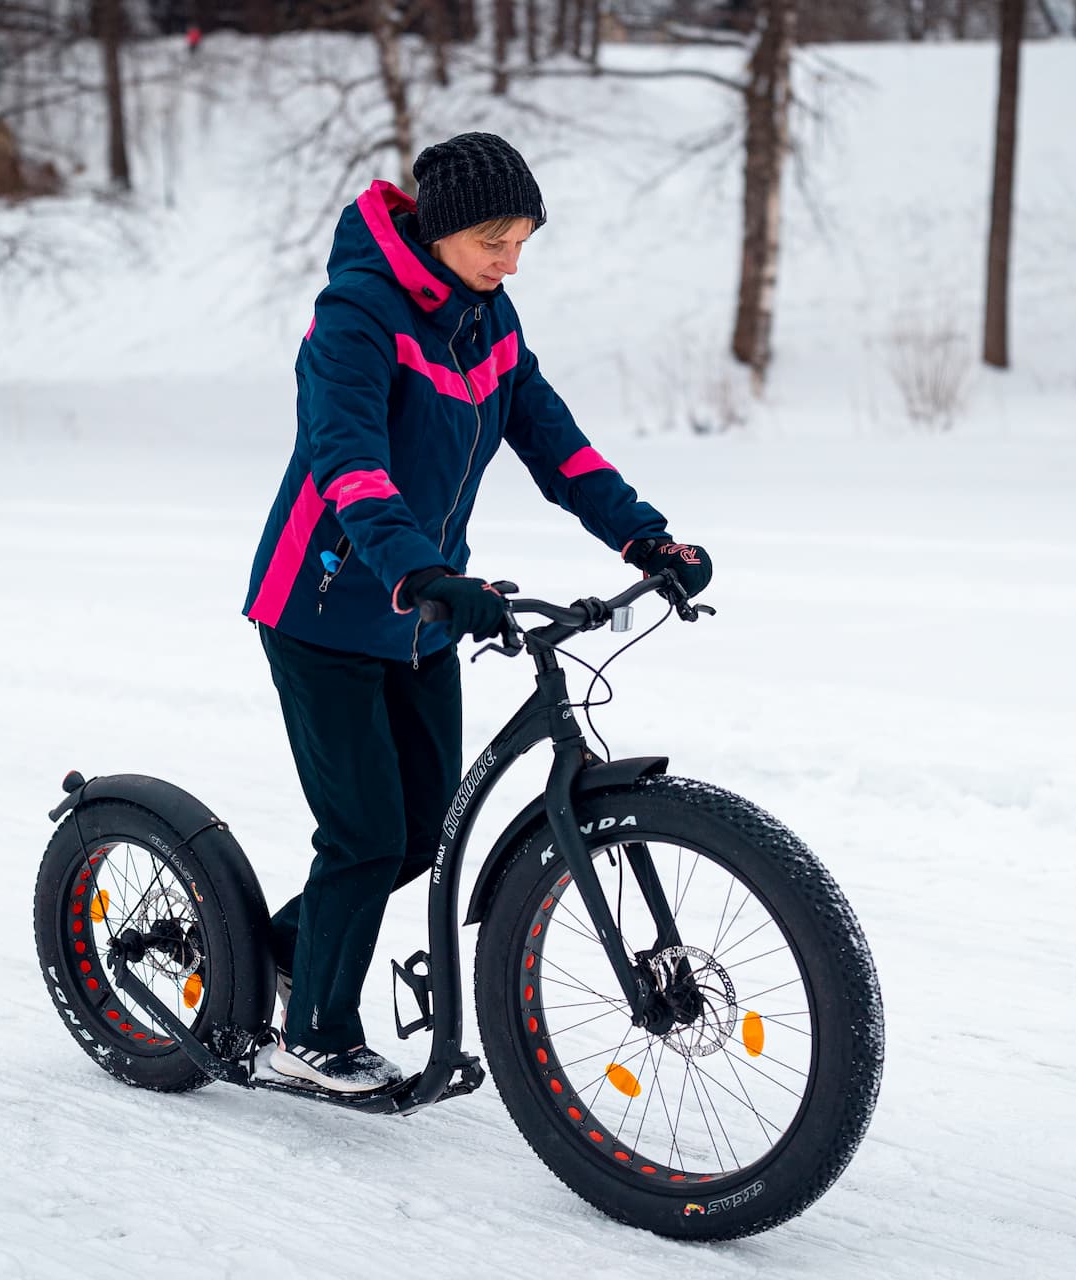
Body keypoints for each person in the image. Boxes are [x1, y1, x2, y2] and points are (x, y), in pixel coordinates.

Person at [241, 133, 713, 1092]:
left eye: (524, 240)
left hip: (425, 614)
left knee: (420, 833)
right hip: (326, 603)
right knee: (366, 832)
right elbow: (350, 466)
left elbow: (556, 444)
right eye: (495, 240)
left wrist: (644, 538)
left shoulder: (491, 322)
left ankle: (280, 952)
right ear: (444, 230)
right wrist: (421, 571)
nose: (511, 260)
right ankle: (313, 1033)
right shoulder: (358, 316)